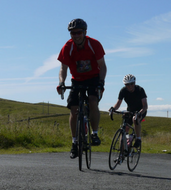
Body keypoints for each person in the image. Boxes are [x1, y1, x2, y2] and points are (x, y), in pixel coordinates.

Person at [56, 18, 107, 159]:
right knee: (73, 109)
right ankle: (74, 142)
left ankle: (94, 134)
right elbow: (63, 68)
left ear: (85, 32)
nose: (76, 35)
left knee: (92, 100)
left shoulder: (94, 44)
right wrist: (61, 82)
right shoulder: (68, 47)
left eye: (78, 32)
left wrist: (101, 82)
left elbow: (102, 66)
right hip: (76, 80)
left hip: (93, 78)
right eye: (72, 33)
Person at [109, 74, 147, 148]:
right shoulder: (123, 91)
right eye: (127, 85)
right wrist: (113, 109)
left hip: (141, 110)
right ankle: (122, 152)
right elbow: (118, 103)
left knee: (135, 119)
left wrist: (139, 113)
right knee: (125, 128)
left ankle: (138, 139)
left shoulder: (140, 90)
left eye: (131, 84)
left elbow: (145, 105)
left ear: (134, 83)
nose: (129, 86)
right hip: (130, 110)